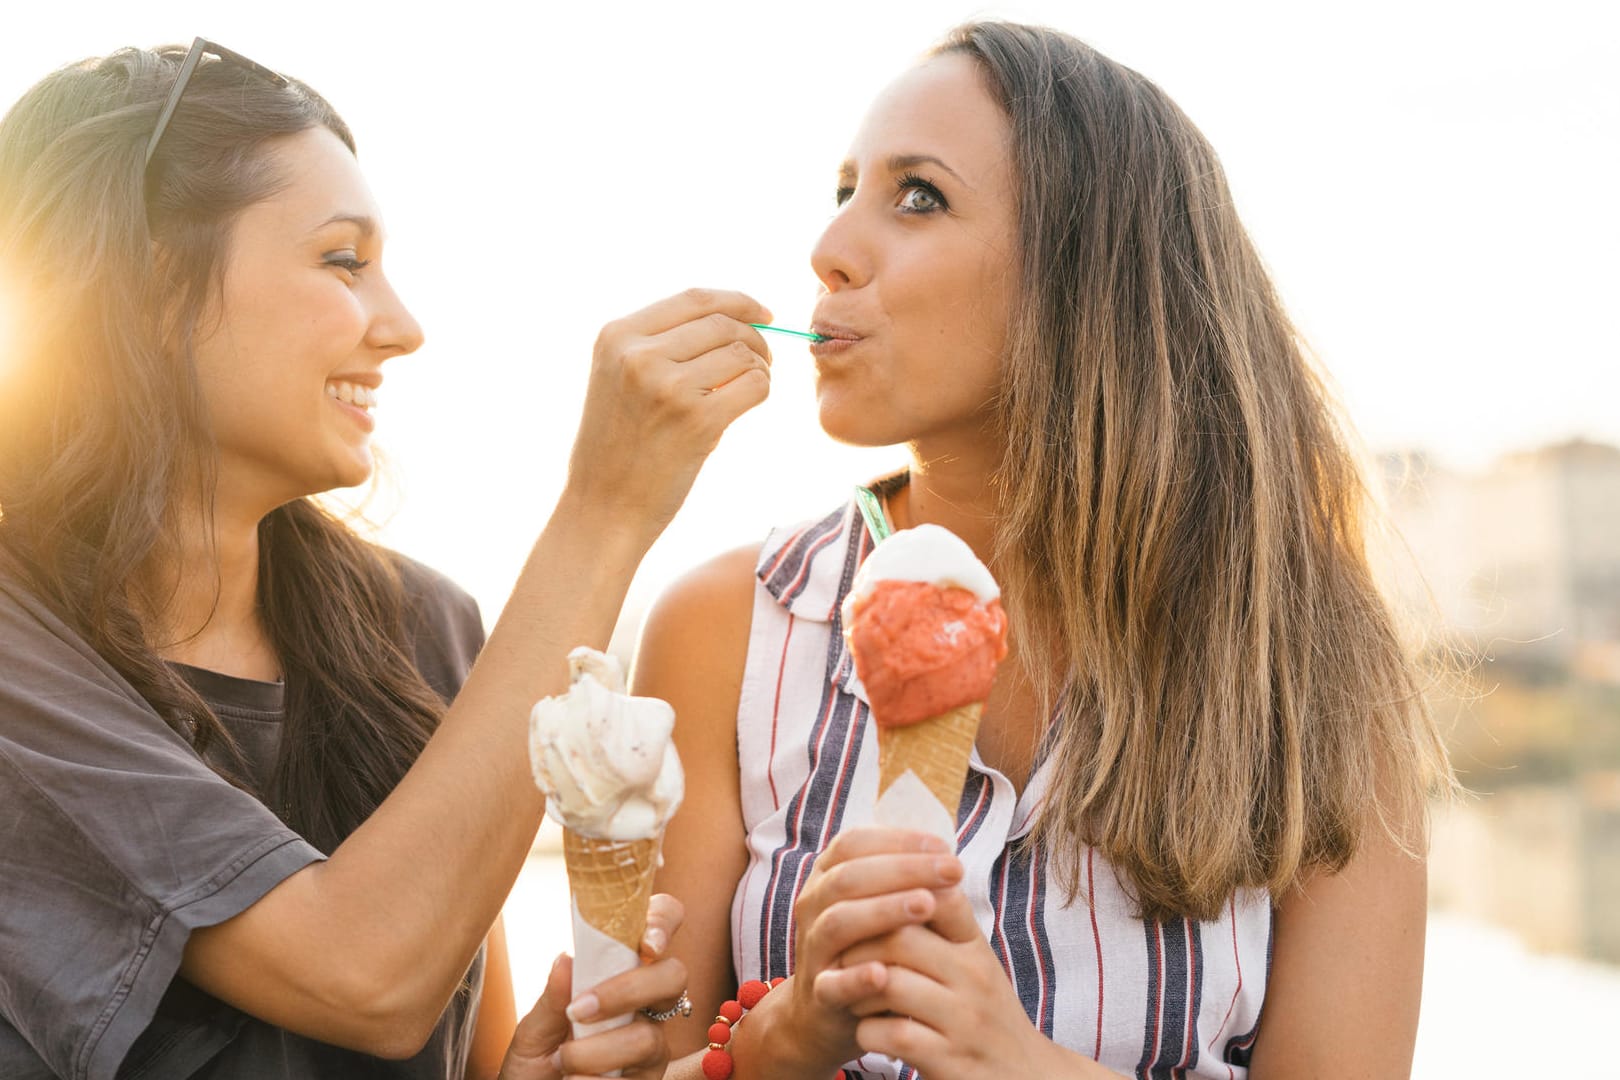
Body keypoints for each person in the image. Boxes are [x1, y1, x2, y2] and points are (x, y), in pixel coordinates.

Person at [636, 20, 1454, 1080]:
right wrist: (783, 1041)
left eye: (916, 195)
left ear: (1084, 273)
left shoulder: (1310, 665)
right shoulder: (721, 629)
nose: (830, 246)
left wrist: (1015, 1064)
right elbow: (631, 1059)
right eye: (845, 190)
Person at [0, 40, 776, 1080]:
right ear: (148, 289)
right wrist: (606, 507)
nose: (402, 327)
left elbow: (464, 1033)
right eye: (340, 260)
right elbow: (366, 978)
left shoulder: (423, 628)